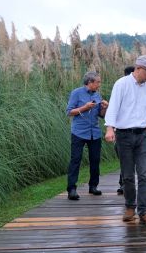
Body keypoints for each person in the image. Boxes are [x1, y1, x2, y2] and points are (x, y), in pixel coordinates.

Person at [104, 55, 146, 227]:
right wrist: (109, 128)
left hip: (144, 135)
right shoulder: (121, 84)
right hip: (124, 135)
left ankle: (145, 211)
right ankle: (130, 206)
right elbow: (113, 106)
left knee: (145, 175)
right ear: (138, 68)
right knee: (128, 176)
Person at [65, 71, 109, 201]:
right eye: (97, 82)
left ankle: (93, 186)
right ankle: (72, 189)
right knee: (75, 159)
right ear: (90, 82)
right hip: (78, 132)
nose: (99, 84)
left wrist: (104, 108)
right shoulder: (76, 93)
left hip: (94, 132)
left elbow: (101, 115)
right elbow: (69, 112)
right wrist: (85, 107)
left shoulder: (97, 94)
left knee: (95, 160)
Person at [116, 66, 135, 195]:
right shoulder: (120, 87)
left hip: (135, 132)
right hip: (122, 132)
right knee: (125, 160)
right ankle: (124, 184)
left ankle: (126, 184)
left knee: (128, 160)